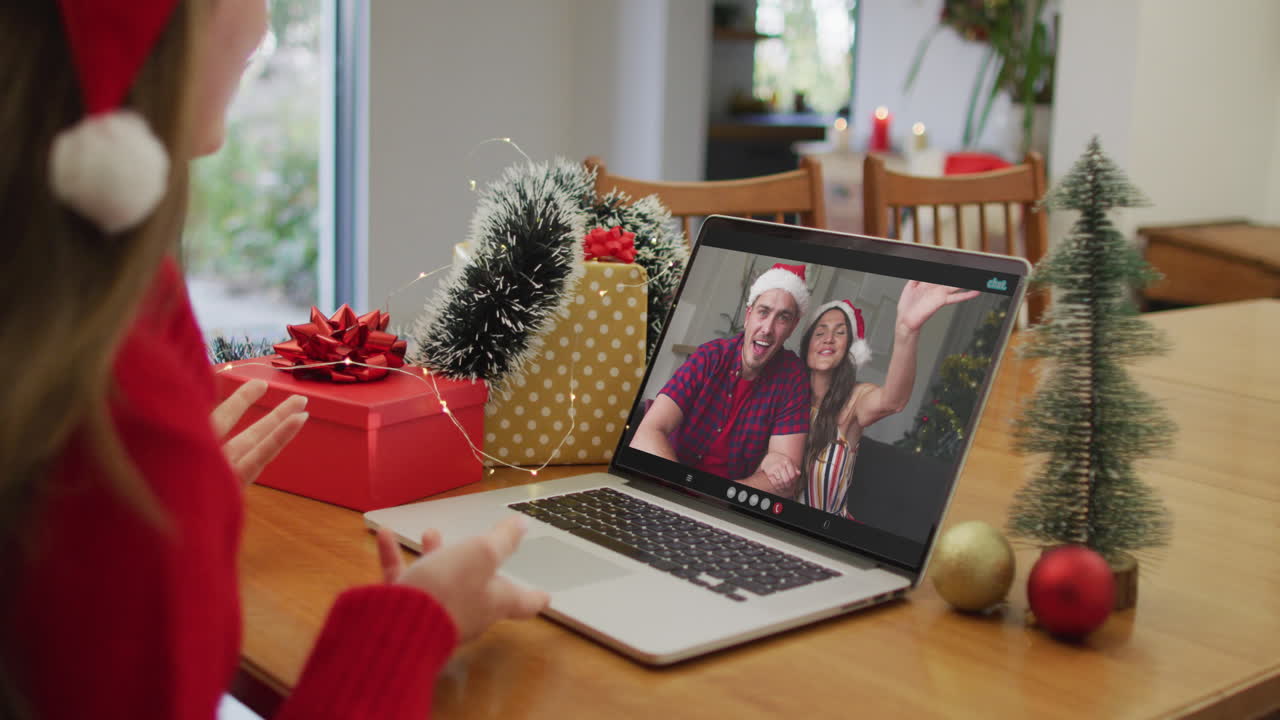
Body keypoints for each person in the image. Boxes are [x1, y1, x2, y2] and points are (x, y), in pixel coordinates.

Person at [0, 2, 546, 718]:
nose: (263, 25)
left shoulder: (85, 330)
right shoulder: (119, 414)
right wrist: (414, 622)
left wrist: (181, 520)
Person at [791, 282, 979, 517]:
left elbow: (893, 400)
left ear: (850, 349)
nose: (828, 338)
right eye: (820, 332)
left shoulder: (855, 399)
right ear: (807, 344)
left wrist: (906, 330)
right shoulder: (785, 394)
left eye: (840, 332)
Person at [630, 263, 812, 496]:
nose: (767, 328)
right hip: (669, 489)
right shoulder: (710, 357)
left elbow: (785, 483)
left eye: (782, 318)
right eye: (763, 312)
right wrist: (683, 494)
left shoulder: (792, 379)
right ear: (748, 316)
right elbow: (646, 434)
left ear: (792, 327)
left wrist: (718, 497)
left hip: (728, 507)